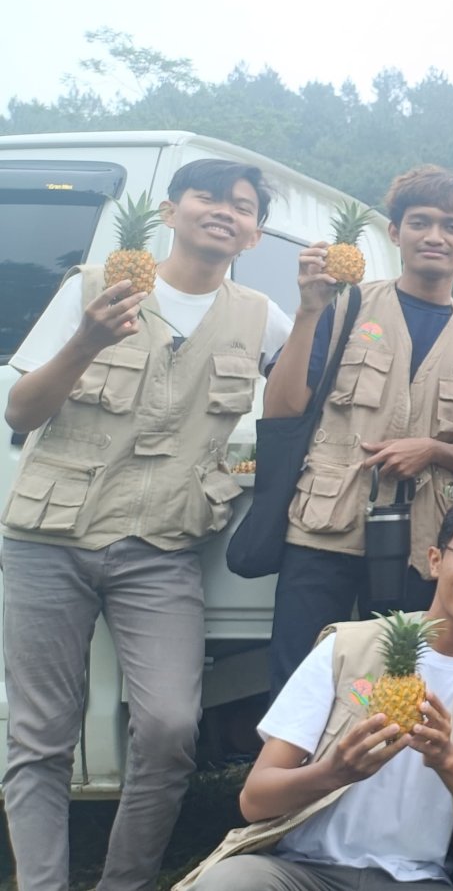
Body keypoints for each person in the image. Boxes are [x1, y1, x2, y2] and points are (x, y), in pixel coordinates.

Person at [2, 159, 293, 891]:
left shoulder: (263, 317)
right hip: (48, 540)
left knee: (168, 730)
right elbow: (22, 413)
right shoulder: (93, 287)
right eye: (207, 197)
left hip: (161, 549)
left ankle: (124, 884)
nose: (224, 211)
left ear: (255, 232)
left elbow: (303, 402)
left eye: (243, 205)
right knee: (39, 735)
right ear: (171, 211)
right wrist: (86, 342)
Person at [174, 492, 453, 891]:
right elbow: (255, 800)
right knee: (228, 883)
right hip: (301, 872)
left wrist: (447, 758)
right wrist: (333, 773)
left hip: (416, 880)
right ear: (435, 560)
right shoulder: (344, 648)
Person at [262, 164, 453, 695]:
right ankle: (293, 776)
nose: (434, 236)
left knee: (401, 682)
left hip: (422, 542)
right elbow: (282, 409)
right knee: (300, 677)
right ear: (395, 232)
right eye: (420, 222)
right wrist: (307, 312)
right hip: (324, 528)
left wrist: (433, 449)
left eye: (452, 225)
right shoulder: (342, 305)